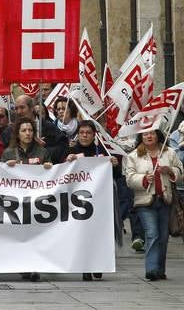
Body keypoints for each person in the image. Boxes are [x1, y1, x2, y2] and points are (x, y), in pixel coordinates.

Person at [125, 129, 183, 281]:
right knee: (152, 234)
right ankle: (151, 269)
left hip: (165, 200)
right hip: (145, 202)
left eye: (152, 133)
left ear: (158, 135)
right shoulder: (133, 156)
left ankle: (160, 269)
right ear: (141, 137)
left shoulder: (169, 152)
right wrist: (144, 179)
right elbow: (129, 179)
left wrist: (170, 171)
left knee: (163, 237)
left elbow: (180, 172)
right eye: (145, 134)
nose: (149, 136)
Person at [65, 120, 118, 281]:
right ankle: (86, 267)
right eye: (82, 133)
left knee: (100, 234)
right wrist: (67, 161)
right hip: (80, 202)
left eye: (88, 133)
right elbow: (62, 176)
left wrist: (114, 164)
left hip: (100, 201)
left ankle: (98, 264)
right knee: (83, 235)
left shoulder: (102, 152)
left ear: (94, 135)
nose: (85, 136)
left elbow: (116, 176)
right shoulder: (72, 151)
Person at [2, 116, 52, 282]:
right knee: (20, 235)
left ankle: (34, 266)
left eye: (30, 130)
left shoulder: (42, 152)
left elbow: (54, 177)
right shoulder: (8, 153)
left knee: (36, 234)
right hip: (16, 202)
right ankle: (23, 265)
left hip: (37, 201)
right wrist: (5, 167)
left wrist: (49, 167)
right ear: (17, 134)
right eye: (24, 130)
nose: (28, 133)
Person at [14, 95, 68, 164]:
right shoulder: (11, 129)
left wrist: (43, 149)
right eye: (16, 108)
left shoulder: (49, 126)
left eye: (22, 107)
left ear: (31, 108)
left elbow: (63, 149)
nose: (19, 112)